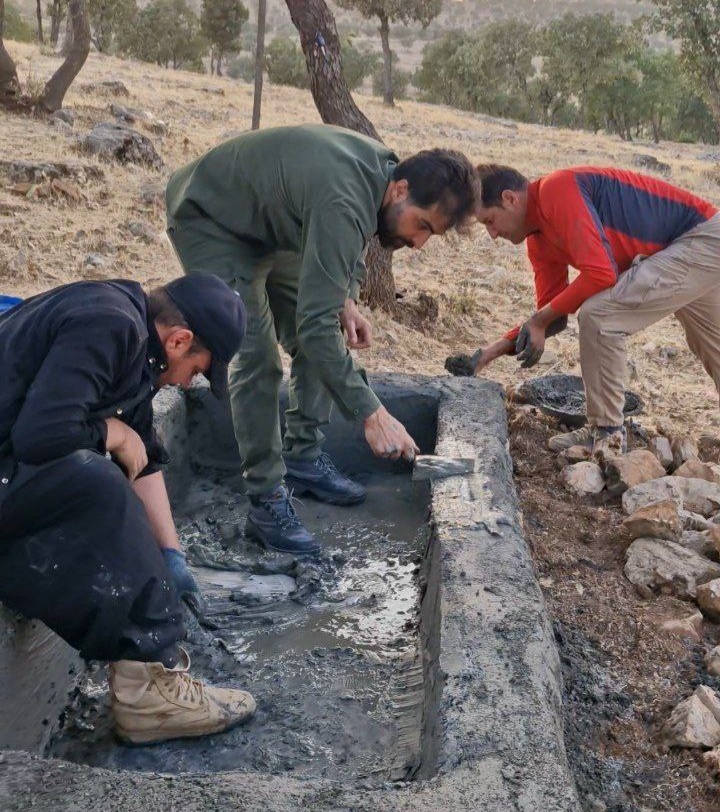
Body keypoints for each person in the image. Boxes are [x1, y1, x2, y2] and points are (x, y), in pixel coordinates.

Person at [166, 123, 478, 555]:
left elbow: (342, 253)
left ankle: (302, 455)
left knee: (329, 324)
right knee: (256, 357)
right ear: (400, 189)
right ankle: (265, 499)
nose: (419, 243)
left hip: (271, 226)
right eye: (421, 225)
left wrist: (345, 299)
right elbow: (314, 317)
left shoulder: (380, 176)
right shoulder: (346, 196)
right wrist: (372, 413)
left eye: (430, 234)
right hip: (212, 219)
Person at [0, 275, 256, 745]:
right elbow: (41, 436)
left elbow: (145, 458)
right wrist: (111, 434)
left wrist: (170, 557)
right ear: (179, 340)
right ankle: (148, 692)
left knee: (110, 474)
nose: (188, 382)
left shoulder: (135, 338)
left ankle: (147, 668)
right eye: (196, 370)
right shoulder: (110, 325)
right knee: (97, 482)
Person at [472, 163, 720, 456]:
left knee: (599, 315)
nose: (492, 233)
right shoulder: (539, 242)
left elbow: (601, 274)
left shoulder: (556, 189)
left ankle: (606, 434)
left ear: (510, 199)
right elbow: (552, 317)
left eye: (489, 220)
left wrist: (540, 320)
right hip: (695, 244)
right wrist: (492, 352)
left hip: (699, 238)